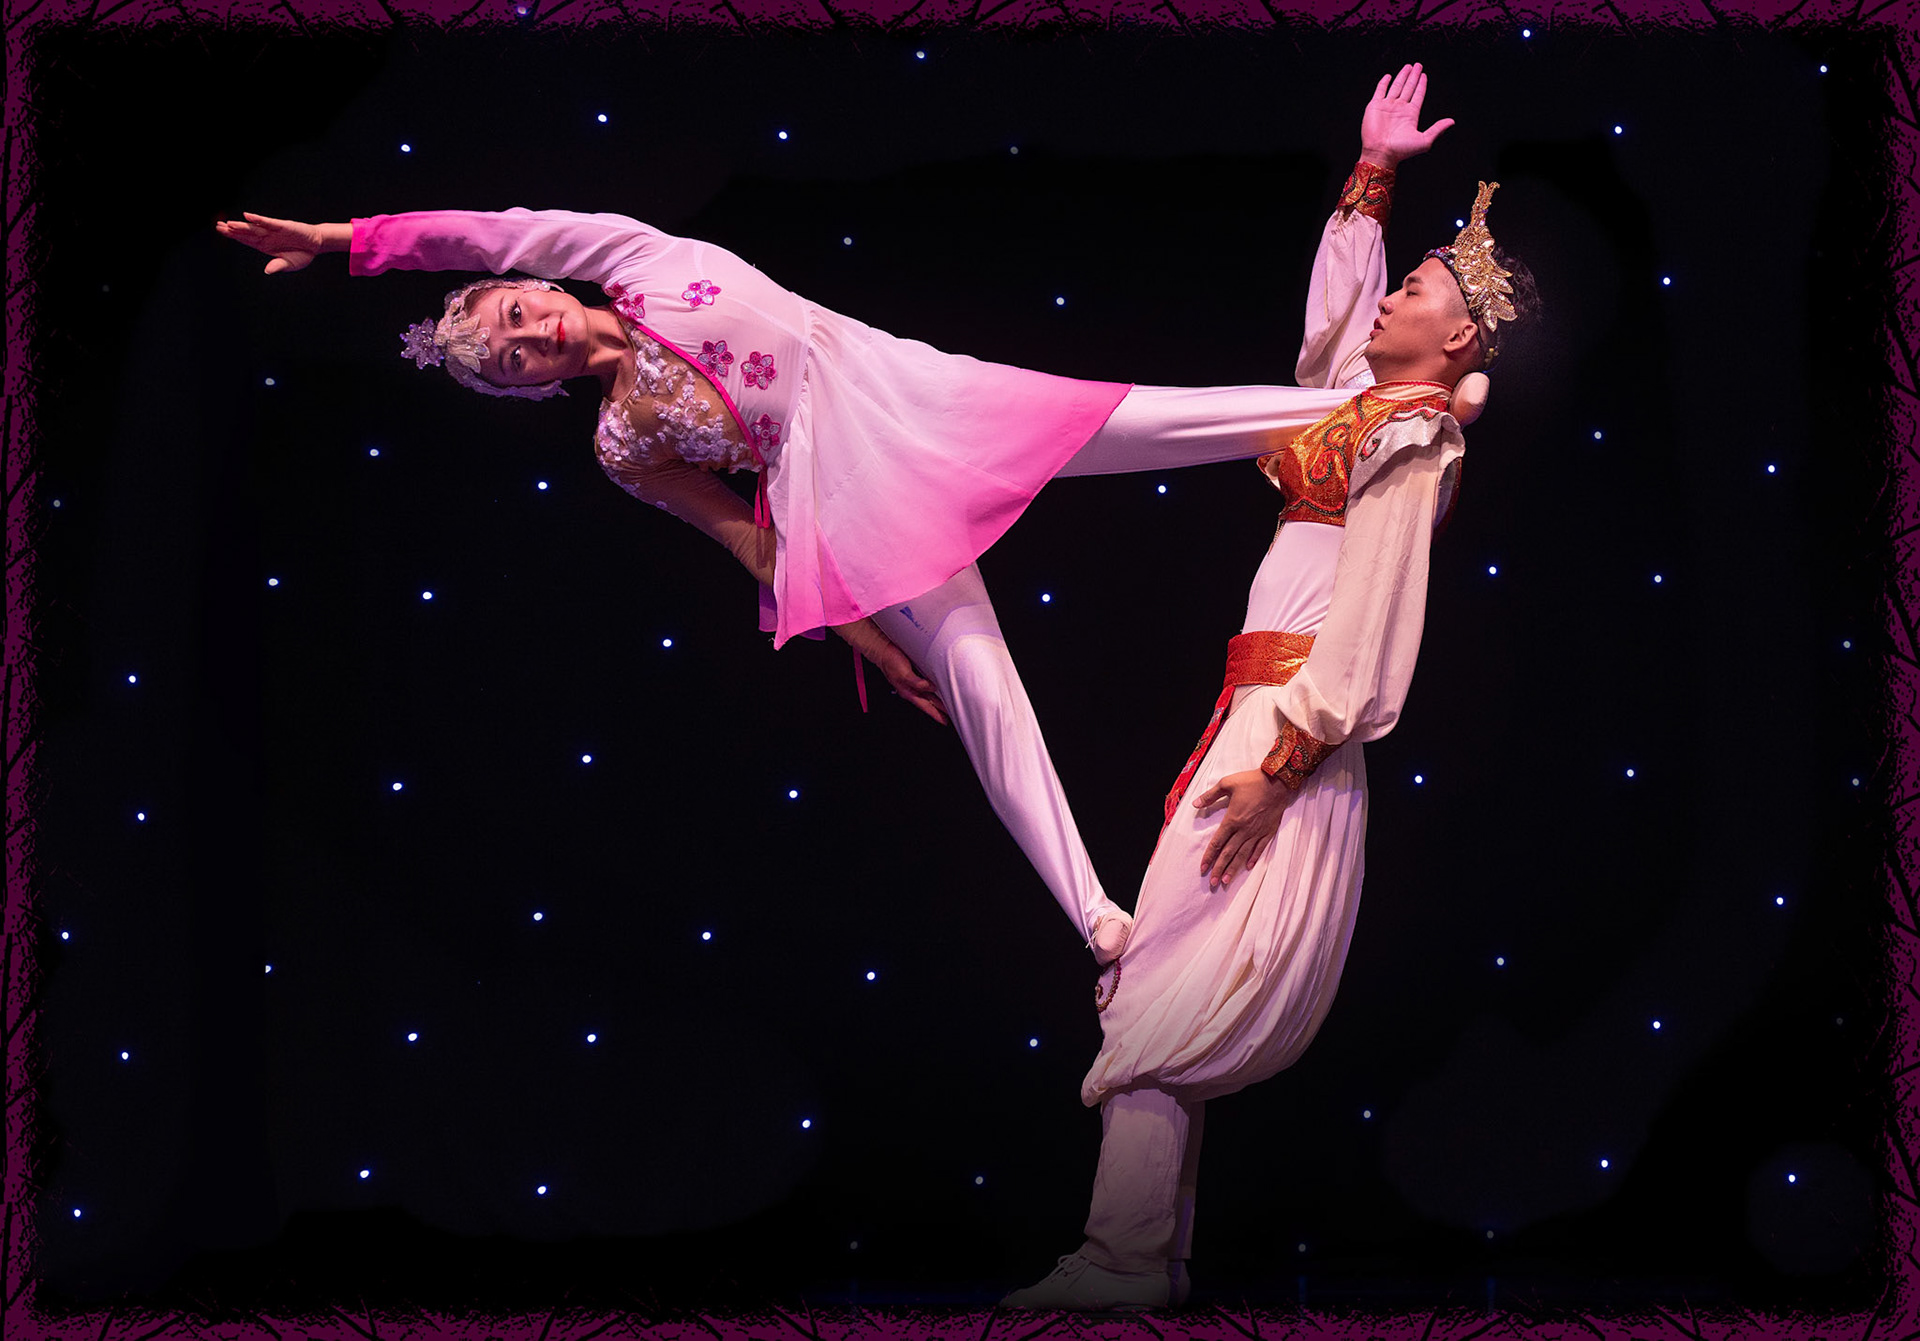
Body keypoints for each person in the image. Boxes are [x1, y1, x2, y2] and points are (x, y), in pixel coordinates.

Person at [214, 76, 1485, 972]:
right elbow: (748, 542)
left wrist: (341, 238)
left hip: (891, 386)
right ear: (524, 392)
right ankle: (1097, 916)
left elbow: (491, 225)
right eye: (511, 364)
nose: (530, 340)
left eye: (513, 319)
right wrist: (867, 635)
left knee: (1131, 417)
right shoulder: (619, 447)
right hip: (839, 489)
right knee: (980, 682)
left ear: (532, 288)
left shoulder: (633, 257)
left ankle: (1374, 407)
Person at [1000, 67, 1537, 1311]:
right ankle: (1145, 1261)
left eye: (1416, 291)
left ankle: (1122, 1262)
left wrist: (1282, 770)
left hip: (1292, 732)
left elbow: (1373, 623)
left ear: (1459, 339)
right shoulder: (1363, 411)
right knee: (1161, 978)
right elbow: (1331, 334)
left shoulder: (1413, 438)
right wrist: (1375, 172)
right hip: (1257, 718)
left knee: (1157, 983)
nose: (1391, 296)